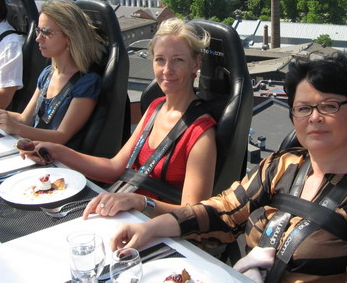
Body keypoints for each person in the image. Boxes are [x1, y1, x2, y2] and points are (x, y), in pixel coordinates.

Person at [109, 54, 347, 282]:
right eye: (303, 108)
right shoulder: (284, 164)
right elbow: (224, 209)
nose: (314, 117)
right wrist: (150, 227)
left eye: (329, 106)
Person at [22, 18, 218, 218]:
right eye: (160, 59)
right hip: (125, 214)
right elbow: (115, 168)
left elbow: (193, 214)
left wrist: (140, 202)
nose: (167, 70)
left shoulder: (201, 134)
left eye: (178, 60)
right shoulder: (155, 107)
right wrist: (56, 151)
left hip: (157, 229)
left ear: (196, 64)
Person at [0, 0, 106, 148]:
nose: (38, 38)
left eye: (47, 33)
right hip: (33, 150)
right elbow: (24, 119)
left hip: (57, 162)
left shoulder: (87, 83)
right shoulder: (48, 74)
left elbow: (61, 136)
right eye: (39, 31)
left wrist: (15, 128)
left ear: (70, 36)